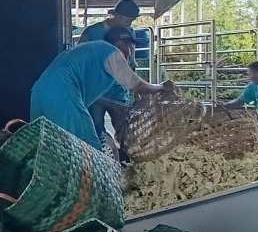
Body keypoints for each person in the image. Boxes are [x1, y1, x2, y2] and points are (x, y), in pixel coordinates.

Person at [31, 26, 175, 149]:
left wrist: (115, 106)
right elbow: (138, 86)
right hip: (62, 95)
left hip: (38, 92)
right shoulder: (113, 53)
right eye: (131, 46)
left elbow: (92, 96)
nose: (131, 52)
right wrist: (161, 87)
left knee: (44, 146)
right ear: (121, 43)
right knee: (88, 147)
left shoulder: (95, 50)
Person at [77, 0, 151, 138]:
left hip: (119, 90)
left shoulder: (129, 32)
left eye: (131, 21)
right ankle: (98, 149)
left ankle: (125, 151)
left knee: (124, 127)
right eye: (126, 20)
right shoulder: (92, 32)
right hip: (97, 91)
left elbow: (130, 61)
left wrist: (134, 87)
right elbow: (80, 59)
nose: (129, 24)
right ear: (115, 15)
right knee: (96, 128)